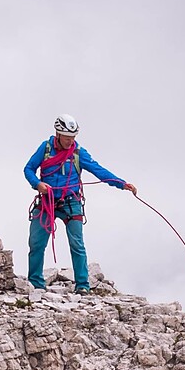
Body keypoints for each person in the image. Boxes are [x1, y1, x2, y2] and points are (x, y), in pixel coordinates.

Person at [23, 114, 137, 294]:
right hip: (47, 202)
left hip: (71, 202)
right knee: (36, 242)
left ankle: (82, 285)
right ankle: (35, 283)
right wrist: (37, 184)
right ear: (58, 134)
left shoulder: (78, 153)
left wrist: (122, 184)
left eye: (73, 138)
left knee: (77, 244)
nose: (70, 142)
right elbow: (28, 168)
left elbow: (98, 170)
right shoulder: (45, 149)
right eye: (67, 138)